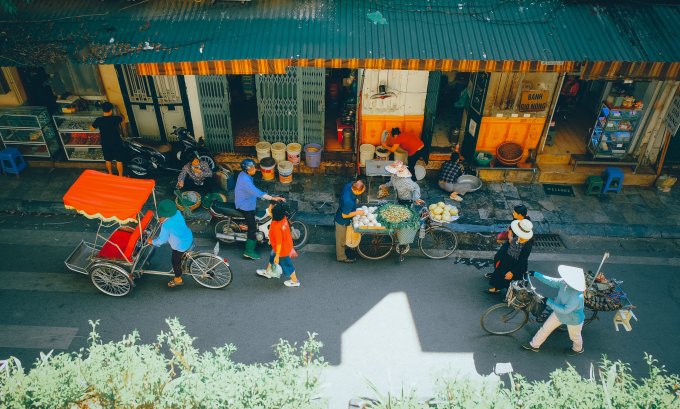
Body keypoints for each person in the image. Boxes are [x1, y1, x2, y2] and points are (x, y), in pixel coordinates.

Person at [522, 266, 586, 356]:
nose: (565, 279)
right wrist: (536, 274)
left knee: (574, 337)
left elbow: (565, 310)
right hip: (558, 313)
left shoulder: (577, 296)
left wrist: (549, 302)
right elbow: (551, 281)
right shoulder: (565, 283)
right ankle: (534, 345)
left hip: (572, 320)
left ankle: (577, 349)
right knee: (545, 329)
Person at [235, 159, 285, 260]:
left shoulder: (243, 174)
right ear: (246, 170)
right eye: (253, 168)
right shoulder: (245, 180)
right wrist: (272, 198)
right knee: (252, 227)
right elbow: (257, 192)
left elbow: (254, 190)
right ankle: (248, 252)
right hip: (245, 206)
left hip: (248, 201)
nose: (255, 169)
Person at [148, 199, 194, 287]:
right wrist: (165, 219)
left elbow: (162, 240)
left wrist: (152, 241)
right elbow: (172, 220)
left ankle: (178, 279)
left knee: (175, 261)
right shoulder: (178, 213)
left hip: (180, 245)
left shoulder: (166, 226)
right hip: (188, 238)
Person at [256, 201, 300, 287]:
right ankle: (267, 271)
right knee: (272, 257)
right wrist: (273, 202)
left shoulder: (276, 227)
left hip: (281, 250)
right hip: (283, 245)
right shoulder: (283, 218)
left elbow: (279, 243)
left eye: (271, 211)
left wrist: (277, 256)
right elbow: (271, 209)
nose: (269, 210)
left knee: (287, 264)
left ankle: (295, 281)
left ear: (274, 214)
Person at [485, 219, 534, 294]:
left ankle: (509, 294)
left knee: (510, 280)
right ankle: (496, 288)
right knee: (499, 274)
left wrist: (512, 272)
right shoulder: (518, 235)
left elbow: (523, 260)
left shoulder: (528, 244)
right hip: (507, 258)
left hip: (515, 264)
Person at [91, 102, 125, 176]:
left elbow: (92, 128)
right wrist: (121, 114)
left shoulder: (99, 120)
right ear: (111, 110)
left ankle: (110, 173)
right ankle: (120, 176)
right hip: (116, 141)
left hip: (105, 142)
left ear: (103, 110)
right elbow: (122, 118)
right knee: (119, 160)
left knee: (108, 159)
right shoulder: (116, 119)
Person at [335, 180, 366, 263]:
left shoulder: (349, 185)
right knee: (340, 240)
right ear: (356, 190)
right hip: (342, 221)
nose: (362, 193)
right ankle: (341, 257)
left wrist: (354, 201)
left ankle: (348, 247)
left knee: (346, 235)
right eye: (361, 192)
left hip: (344, 213)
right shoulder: (347, 200)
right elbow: (344, 215)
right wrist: (357, 212)